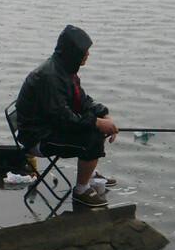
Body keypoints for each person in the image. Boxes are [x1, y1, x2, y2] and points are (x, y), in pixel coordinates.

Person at [15, 25, 120, 208]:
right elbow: (63, 119)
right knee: (92, 137)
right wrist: (96, 123)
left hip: (49, 127)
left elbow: (83, 100)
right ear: (73, 53)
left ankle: (90, 174)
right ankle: (81, 190)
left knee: (94, 126)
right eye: (84, 52)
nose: (88, 55)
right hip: (37, 137)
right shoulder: (49, 77)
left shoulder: (65, 70)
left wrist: (103, 113)